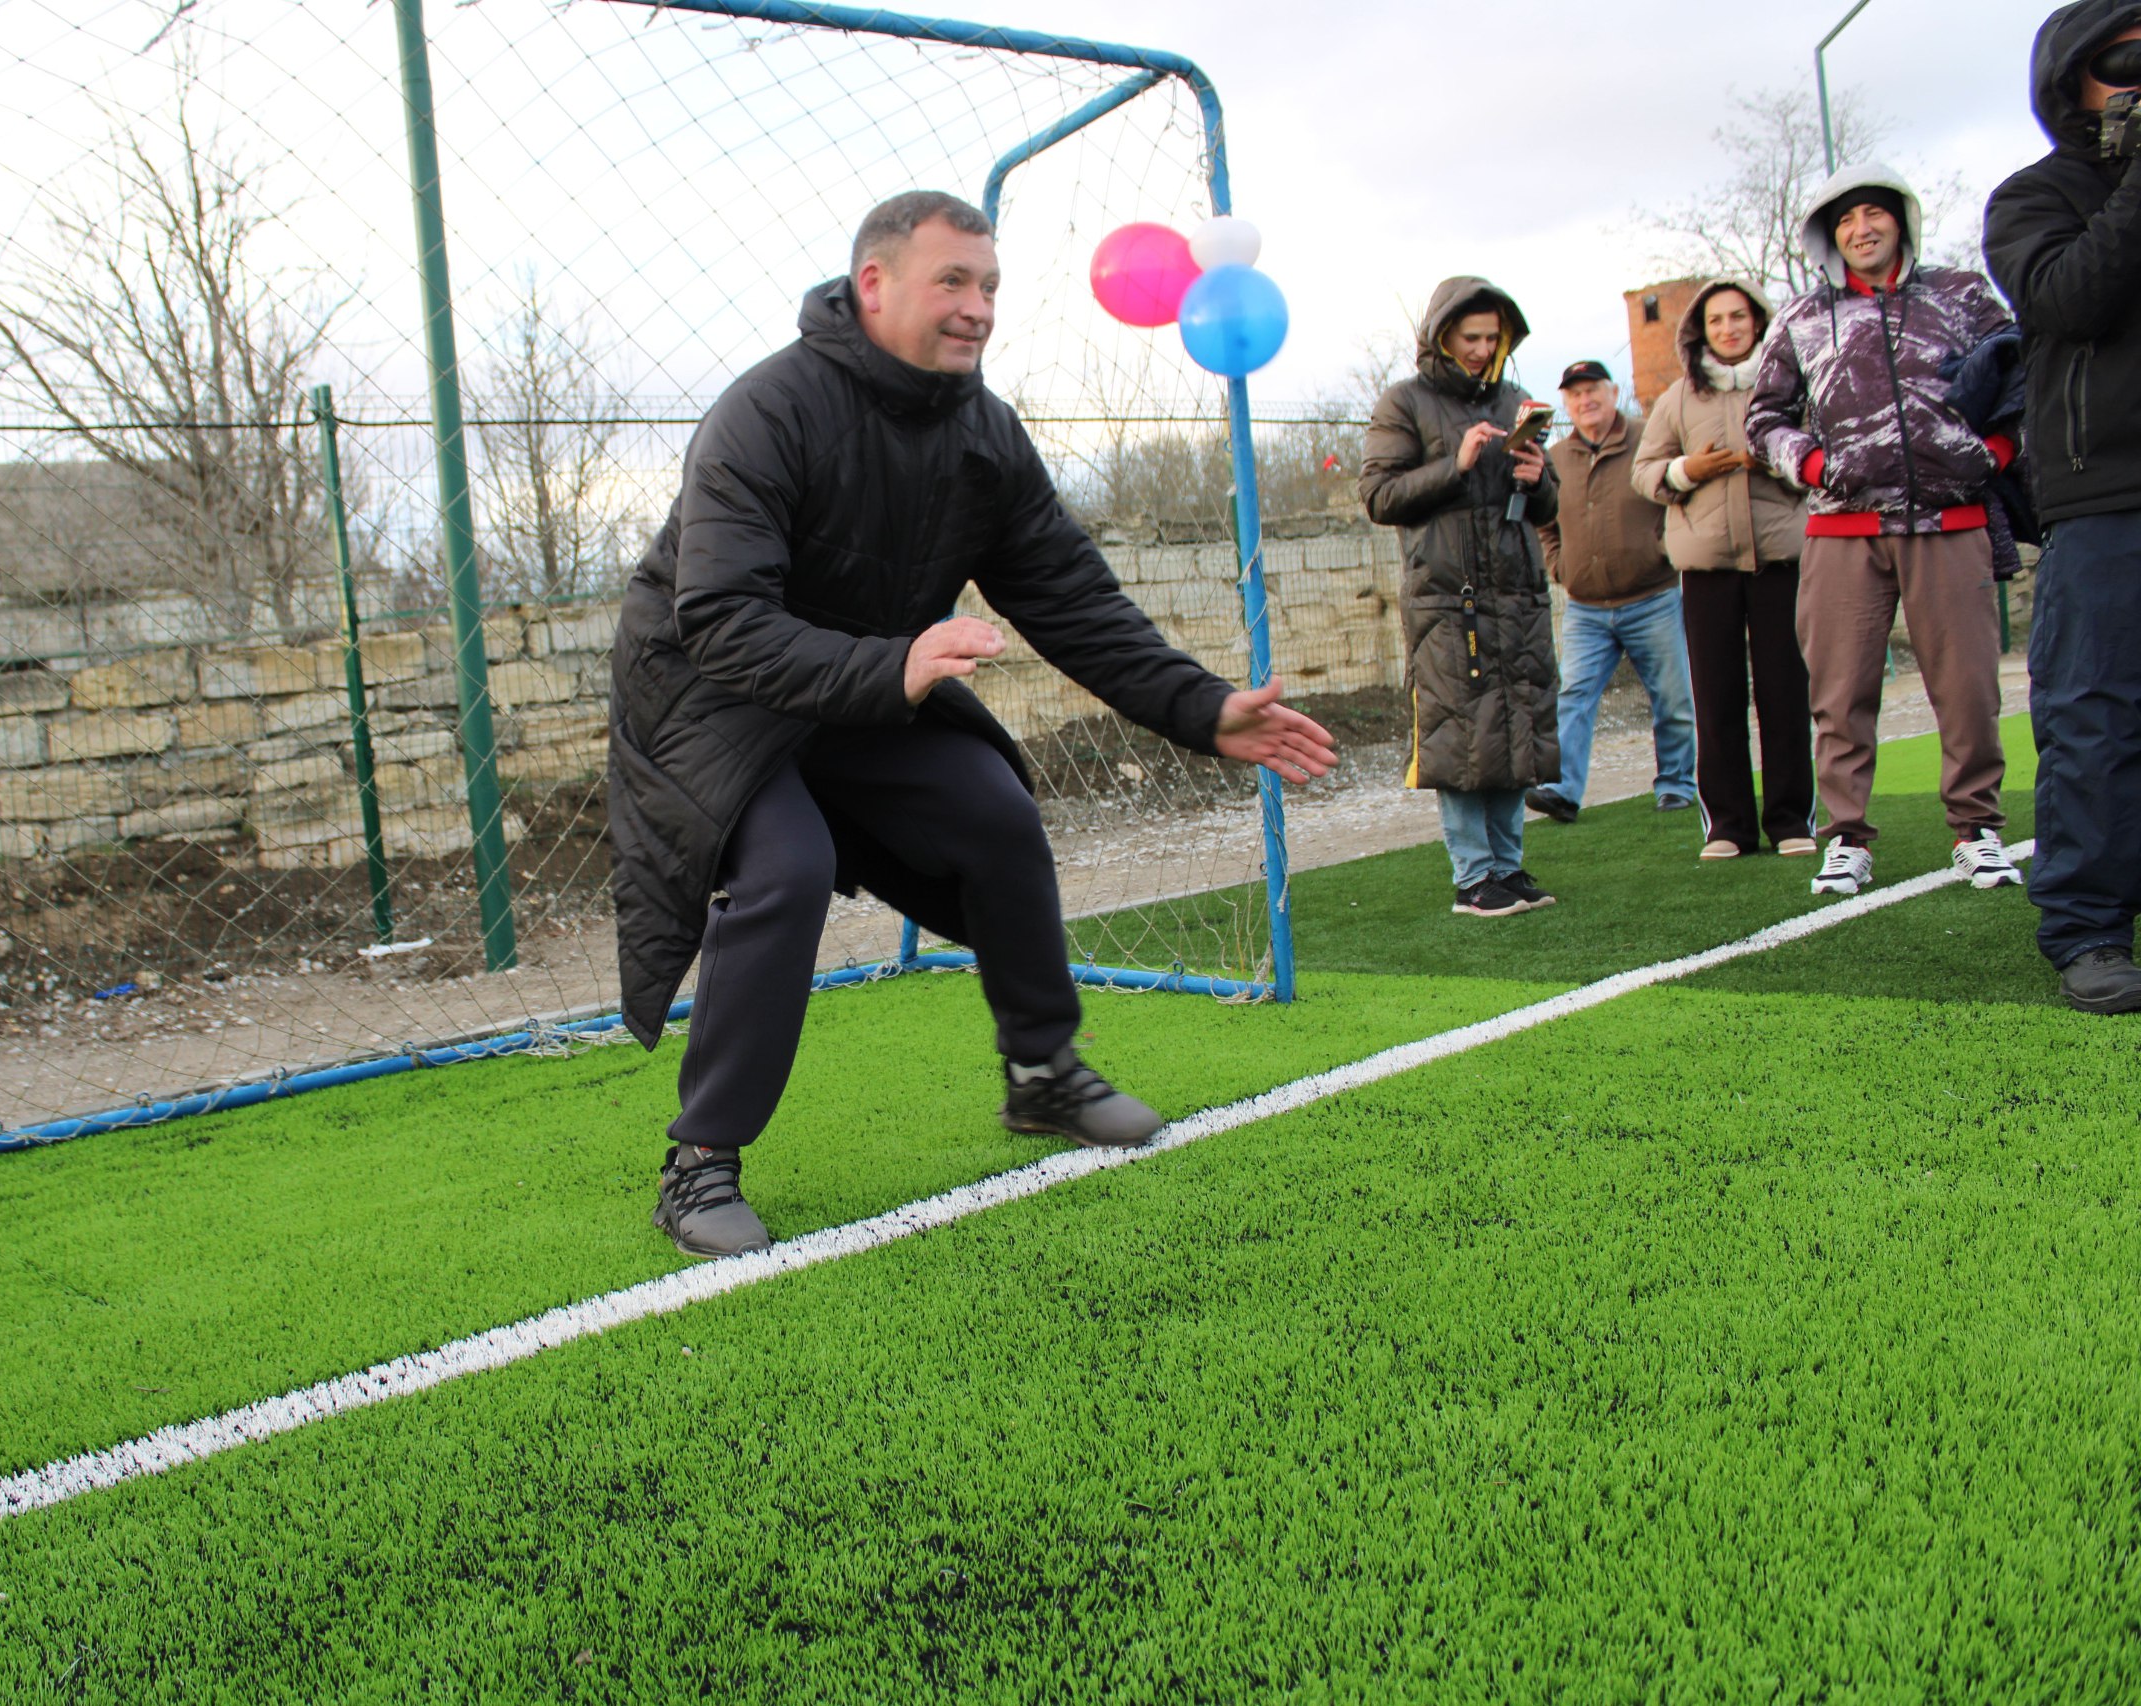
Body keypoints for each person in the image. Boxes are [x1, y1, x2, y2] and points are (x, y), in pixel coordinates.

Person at [607, 192, 1339, 1258]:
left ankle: (1042, 1073)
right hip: (711, 697)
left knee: (993, 807)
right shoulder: (766, 412)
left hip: (869, 686)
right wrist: (894, 662)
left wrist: (1201, 706)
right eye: (952, 280)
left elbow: (1071, 598)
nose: (977, 306)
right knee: (786, 864)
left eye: (988, 284)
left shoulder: (982, 432)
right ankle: (700, 1160)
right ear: (874, 285)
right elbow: (718, 620)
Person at [1746, 163, 2025, 898]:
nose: (1860, 229)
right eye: (1843, 220)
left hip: (1951, 519)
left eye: (1873, 213)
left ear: (1900, 218)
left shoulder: (1964, 295)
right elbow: (1763, 417)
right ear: (1827, 235)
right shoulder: (1803, 316)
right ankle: (1846, 840)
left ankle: (1977, 830)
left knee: (1966, 690)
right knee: (1840, 695)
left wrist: (1991, 455)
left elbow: (2022, 384)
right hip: (1842, 530)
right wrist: (1808, 465)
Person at [1985, 0, 2141, 1014]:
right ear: (2073, 79)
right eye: (2130, 61)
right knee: (2094, 720)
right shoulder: (2032, 198)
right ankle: (2085, 926)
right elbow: (2069, 299)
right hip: (2103, 495)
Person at [1359, 277, 1562, 918]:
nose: (1481, 348)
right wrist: (1458, 463)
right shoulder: (1405, 402)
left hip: (1518, 595)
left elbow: (1541, 507)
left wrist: (1540, 479)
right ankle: (1473, 877)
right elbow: (1379, 497)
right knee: (1461, 736)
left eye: (1492, 337)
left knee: (1513, 731)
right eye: (1470, 336)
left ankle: (1507, 866)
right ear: (1441, 334)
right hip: (1450, 603)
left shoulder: (1513, 401)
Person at [1632, 280, 1819, 860]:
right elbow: (1645, 472)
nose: (1729, 328)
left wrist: (1778, 464)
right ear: (1701, 330)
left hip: (1781, 559)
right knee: (1716, 697)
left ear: (1759, 323)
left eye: (1739, 317)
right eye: (1716, 320)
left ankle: (1791, 821)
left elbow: (1825, 455)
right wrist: (1689, 470)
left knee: (1786, 693)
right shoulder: (1678, 399)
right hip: (1706, 567)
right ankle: (1728, 827)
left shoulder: (1793, 388)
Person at [1532, 361, 1697, 826]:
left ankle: (1677, 785)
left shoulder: (1651, 440)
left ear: (1614, 391)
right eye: (1576, 394)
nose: (1585, 401)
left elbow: (1678, 496)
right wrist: (1559, 565)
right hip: (1586, 607)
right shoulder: (1557, 457)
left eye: (1593, 391)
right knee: (1574, 694)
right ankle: (1562, 790)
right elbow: (1545, 521)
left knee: (1673, 696)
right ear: (1566, 403)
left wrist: (1664, 550)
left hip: (1654, 597)